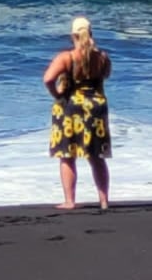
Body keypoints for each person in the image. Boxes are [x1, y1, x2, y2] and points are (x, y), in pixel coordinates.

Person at [42, 16, 112, 209]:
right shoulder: (103, 58)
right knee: (96, 156)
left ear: (72, 35)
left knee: (67, 154)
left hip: (70, 107)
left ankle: (70, 201)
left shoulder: (67, 58)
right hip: (96, 106)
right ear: (91, 33)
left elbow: (48, 79)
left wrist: (57, 94)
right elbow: (104, 76)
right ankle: (104, 200)